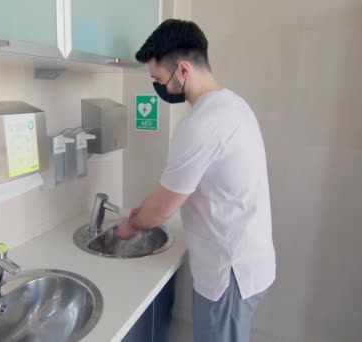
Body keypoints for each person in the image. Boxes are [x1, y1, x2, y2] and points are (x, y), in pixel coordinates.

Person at [115, 19, 276, 342]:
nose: (159, 88)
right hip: (245, 262)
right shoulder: (233, 105)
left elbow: (162, 208)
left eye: (159, 79)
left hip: (229, 275)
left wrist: (131, 225)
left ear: (183, 70)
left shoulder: (203, 124)